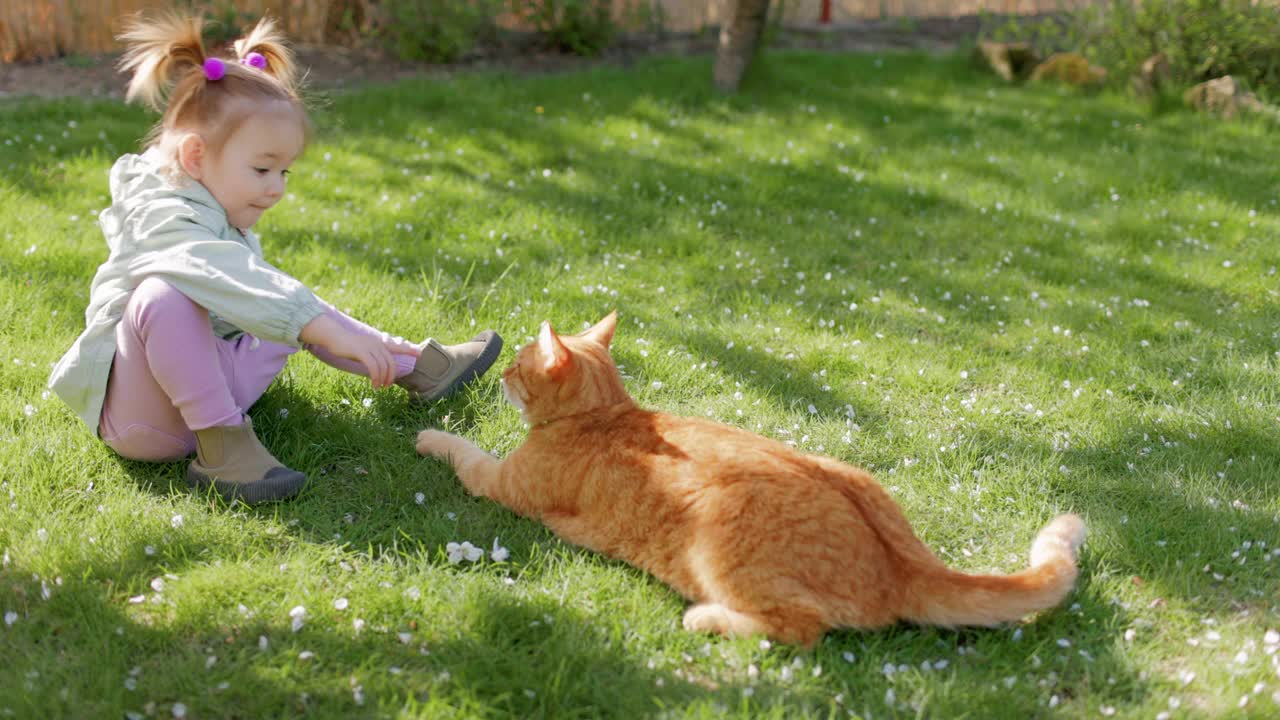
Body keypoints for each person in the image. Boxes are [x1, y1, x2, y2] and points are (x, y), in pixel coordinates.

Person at [48, 12, 502, 504]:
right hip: (142, 420)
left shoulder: (214, 202)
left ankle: (418, 366)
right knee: (166, 296)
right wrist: (311, 324)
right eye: (263, 169)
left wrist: (316, 321)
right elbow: (215, 272)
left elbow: (263, 294)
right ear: (196, 156)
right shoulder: (159, 213)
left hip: (210, 388)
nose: (277, 188)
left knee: (286, 299)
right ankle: (225, 451)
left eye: (285, 171)